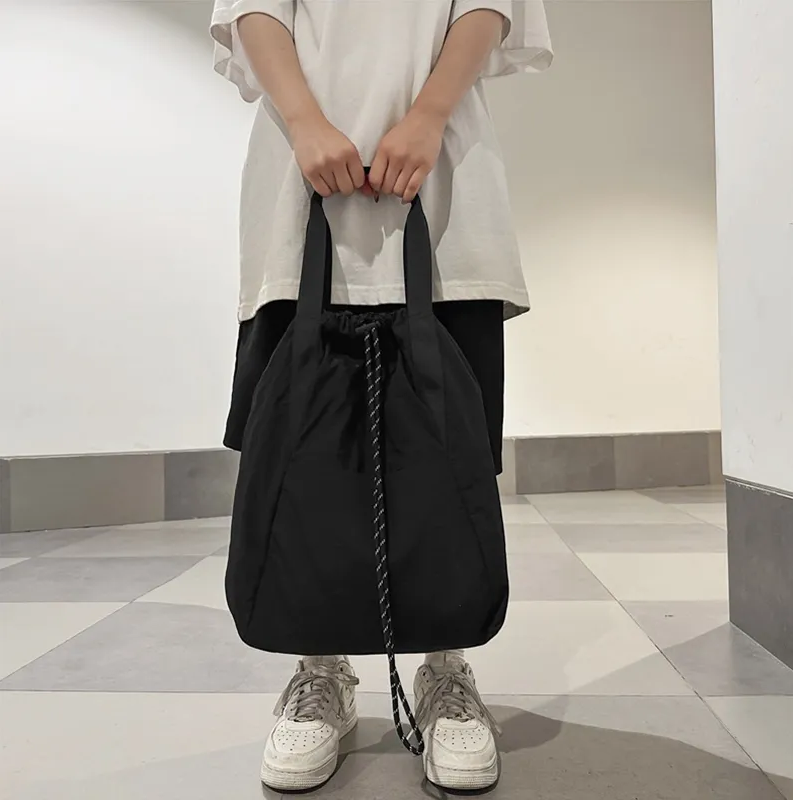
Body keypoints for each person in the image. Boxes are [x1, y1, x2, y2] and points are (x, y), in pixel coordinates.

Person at [210, 0, 553, 792]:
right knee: (299, 453)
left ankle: (445, 669)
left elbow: (490, 7)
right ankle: (320, 672)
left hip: (444, 179)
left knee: (448, 450)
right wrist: (305, 123)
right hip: (297, 185)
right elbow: (253, 9)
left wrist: (429, 116)